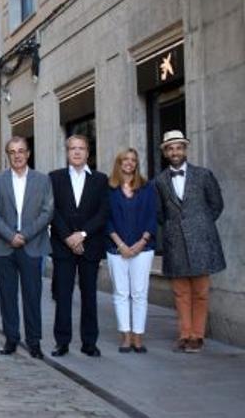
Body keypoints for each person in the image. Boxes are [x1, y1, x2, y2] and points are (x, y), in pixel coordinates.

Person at [155, 130, 225, 354]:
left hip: (202, 242)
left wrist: (200, 225)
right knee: (181, 292)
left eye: (179, 147)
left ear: (185, 149)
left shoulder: (204, 175)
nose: (175, 151)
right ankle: (185, 334)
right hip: (175, 243)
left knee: (201, 291)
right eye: (170, 148)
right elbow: (159, 214)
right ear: (166, 153)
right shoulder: (160, 181)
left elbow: (216, 204)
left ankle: (198, 335)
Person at [0, 137, 54, 359]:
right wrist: (10, 235)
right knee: (7, 295)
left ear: (28, 153)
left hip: (32, 245)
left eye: (21, 151)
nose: (17, 155)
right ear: (7, 155)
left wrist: (24, 235)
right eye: (12, 152)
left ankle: (34, 342)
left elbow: (47, 212)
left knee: (33, 295)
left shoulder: (42, 180)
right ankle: (11, 339)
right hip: (4, 246)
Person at [49, 134, 109, 358]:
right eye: (72, 148)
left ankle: (89, 343)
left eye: (81, 148)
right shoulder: (54, 178)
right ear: (66, 152)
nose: (76, 152)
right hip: (63, 246)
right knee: (63, 296)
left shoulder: (100, 180)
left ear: (88, 153)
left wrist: (82, 235)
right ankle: (62, 342)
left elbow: (103, 212)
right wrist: (68, 237)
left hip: (90, 245)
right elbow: (51, 210)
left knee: (89, 296)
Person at [106, 148, 157, 354]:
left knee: (139, 293)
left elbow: (153, 217)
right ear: (118, 163)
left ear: (137, 164)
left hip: (142, 249)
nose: (129, 163)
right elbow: (106, 219)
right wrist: (121, 245)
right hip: (116, 248)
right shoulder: (109, 189)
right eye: (125, 159)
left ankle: (138, 336)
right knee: (120, 293)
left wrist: (141, 243)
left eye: (133, 160)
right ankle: (125, 336)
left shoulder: (147, 188)